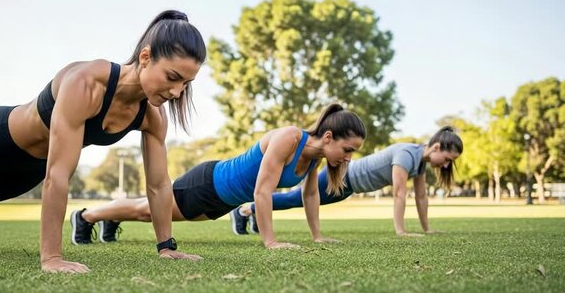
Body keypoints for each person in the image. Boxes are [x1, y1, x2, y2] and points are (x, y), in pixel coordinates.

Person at [0, 10, 205, 273]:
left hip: (34, 164)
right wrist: (52, 257)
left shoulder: (152, 116)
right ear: (145, 57)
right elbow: (59, 173)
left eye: (186, 84)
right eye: (172, 77)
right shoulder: (88, 82)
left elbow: (157, 184)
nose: (178, 92)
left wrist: (166, 247)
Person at [70, 103, 366, 249]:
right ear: (328, 136)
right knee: (148, 211)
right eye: (348, 148)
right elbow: (262, 191)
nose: (349, 157)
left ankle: (110, 216)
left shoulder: (313, 158)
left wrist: (317, 237)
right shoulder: (289, 138)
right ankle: (86, 217)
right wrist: (270, 241)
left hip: (222, 200)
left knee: (150, 211)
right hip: (209, 183)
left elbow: (310, 195)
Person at [230, 127, 463, 238]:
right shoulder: (406, 154)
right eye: (446, 159)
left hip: (348, 188)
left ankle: (250, 211)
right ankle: (245, 210)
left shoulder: (419, 163)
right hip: (343, 176)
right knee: (296, 198)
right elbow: (400, 193)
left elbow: (421, 197)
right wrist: (401, 231)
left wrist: (426, 229)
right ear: (435, 147)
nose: (445, 166)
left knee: (296, 200)